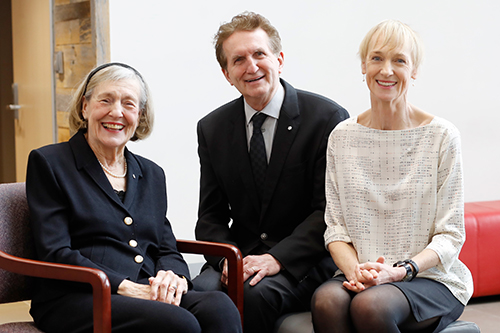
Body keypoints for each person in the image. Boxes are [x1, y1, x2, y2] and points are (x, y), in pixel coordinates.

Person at [25, 62, 242, 333]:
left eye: (128, 104)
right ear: (85, 107)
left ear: (139, 115)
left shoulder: (151, 173)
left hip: (146, 290)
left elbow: (165, 246)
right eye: (105, 100)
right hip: (76, 296)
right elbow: (55, 251)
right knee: (178, 323)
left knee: (219, 307)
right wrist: (123, 286)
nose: (116, 112)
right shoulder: (50, 162)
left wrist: (173, 276)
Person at [311, 20, 473, 333]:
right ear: (363, 66)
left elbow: (450, 235)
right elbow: (336, 229)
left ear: (414, 72)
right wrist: (358, 272)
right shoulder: (341, 137)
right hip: (362, 271)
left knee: (371, 305)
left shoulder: (442, 136)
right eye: (377, 58)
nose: (386, 70)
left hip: (429, 278)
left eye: (399, 60)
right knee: (326, 302)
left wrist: (399, 272)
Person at [193, 12, 349, 332]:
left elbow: (331, 211)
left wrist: (277, 258)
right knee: (198, 295)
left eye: (259, 54)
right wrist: (228, 261)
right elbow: (210, 217)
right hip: (241, 257)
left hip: (304, 259)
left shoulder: (327, 118)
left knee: (253, 294)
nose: (251, 67)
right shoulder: (212, 128)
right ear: (227, 74)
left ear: (279, 59)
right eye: (238, 60)